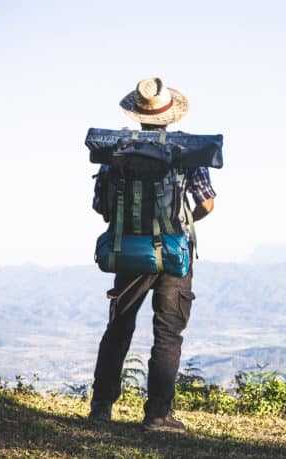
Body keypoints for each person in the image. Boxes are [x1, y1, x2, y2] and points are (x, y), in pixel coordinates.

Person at [89, 77, 216, 432]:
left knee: (118, 328)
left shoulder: (115, 153)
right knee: (168, 332)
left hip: (128, 251)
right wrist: (182, 221)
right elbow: (206, 203)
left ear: (138, 115)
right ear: (170, 116)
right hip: (175, 254)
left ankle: (101, 407)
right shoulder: (185, 153)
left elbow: (101, 205)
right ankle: (158, 414)